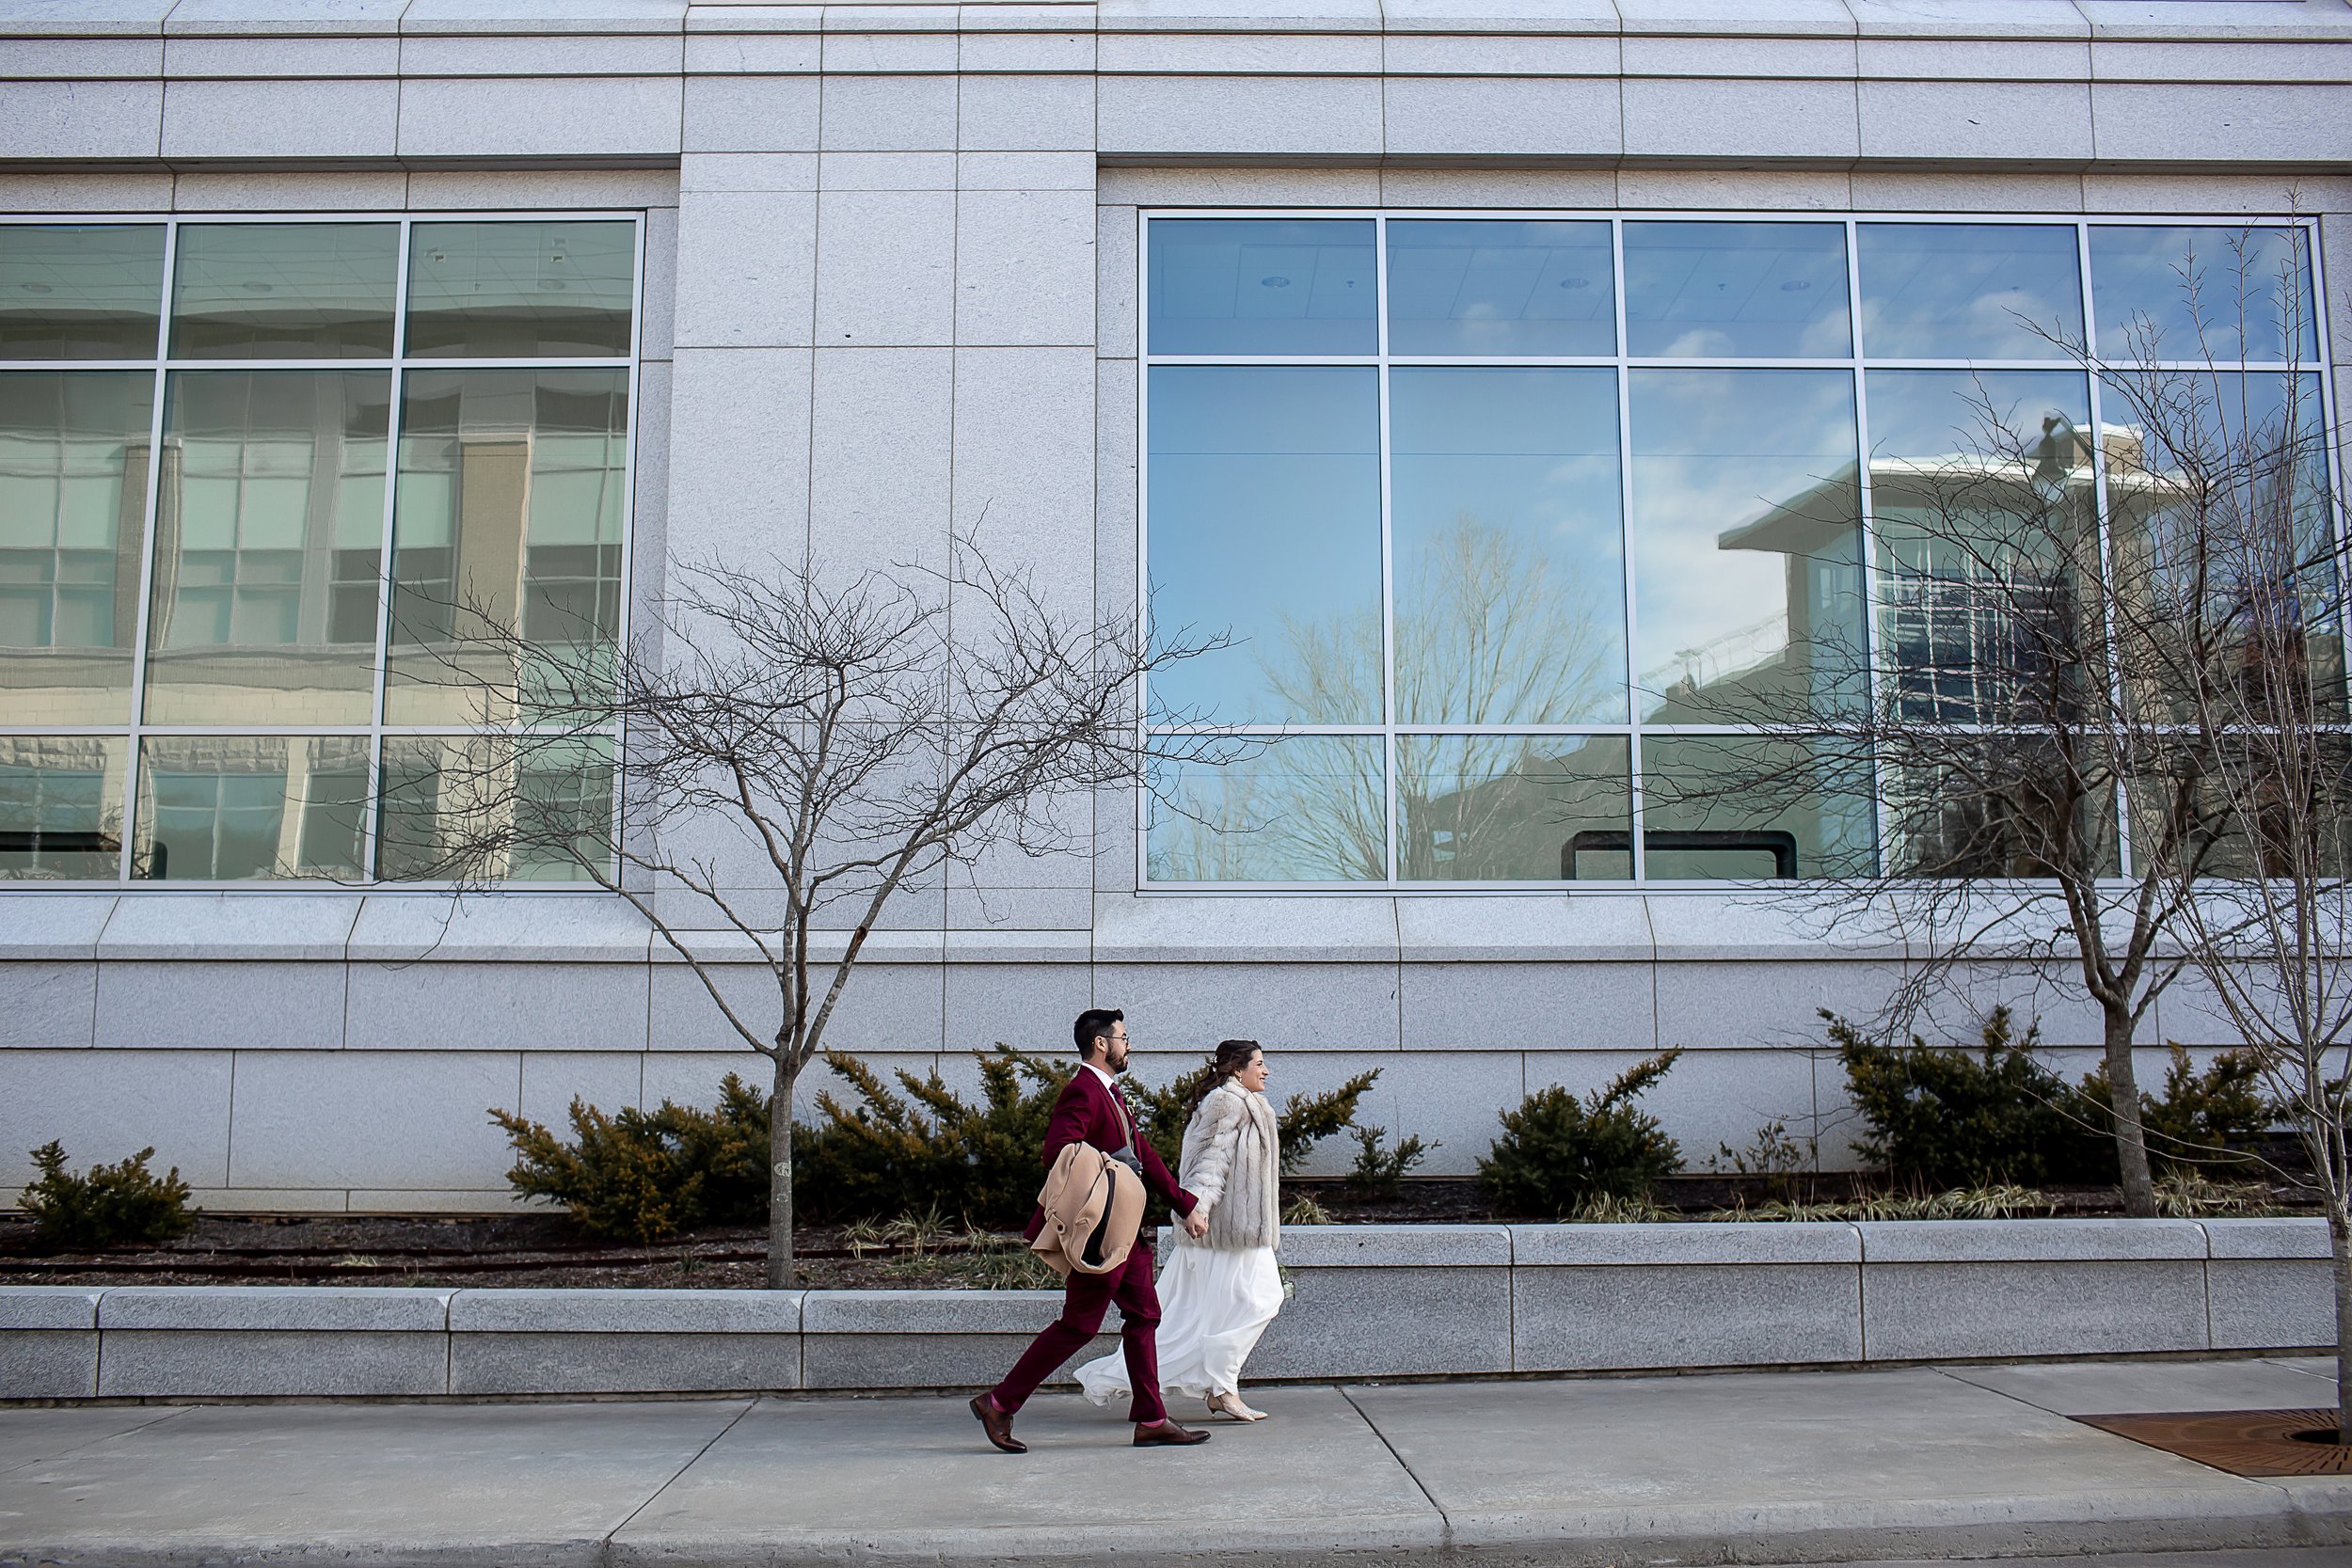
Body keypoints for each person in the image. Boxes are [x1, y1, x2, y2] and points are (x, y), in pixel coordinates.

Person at [968, 1007, 1213, 1452]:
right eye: (1123, 1036)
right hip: (1100, 1233)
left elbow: (1144, 1154)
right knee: (1079, 1325)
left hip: (1126, 1232)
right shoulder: (1082, 1091)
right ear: (1101, 1043)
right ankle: (999, 1403)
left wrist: (1185, 1205)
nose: (1128, 1044)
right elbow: (1058, 1152)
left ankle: (1152, 1419)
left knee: (1144, 1316)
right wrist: (1110, 1174)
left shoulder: (1112, 1093)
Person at [1075, 1038, 1282, 1422]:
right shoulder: (1229, 1103)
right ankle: (1222, 1387)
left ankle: (1223, 1387)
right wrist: (1195, 1210)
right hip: (1222, 1233)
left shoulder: (1249, 1103)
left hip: (1243, 1232)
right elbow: (1210, 1162)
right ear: (1238, 1070)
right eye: (1259, 1064)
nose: (1266, 1071)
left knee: (1211, 1313)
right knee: (1259, 1301)